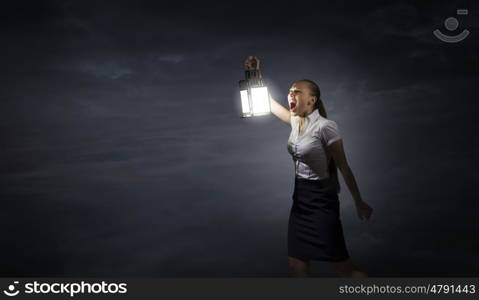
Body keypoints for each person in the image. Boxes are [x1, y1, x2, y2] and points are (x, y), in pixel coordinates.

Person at [243, 56, 373, 277]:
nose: (291, 95)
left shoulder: (326, 127)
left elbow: (344, 167)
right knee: (296, 262)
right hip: (300, 200)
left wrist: (359, 202)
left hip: (321, 200)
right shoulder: (295, 121)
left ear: (312, 100)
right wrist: (255, 73)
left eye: (297, 92)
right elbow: (266, 100)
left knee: (343, 267)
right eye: (290, 91)